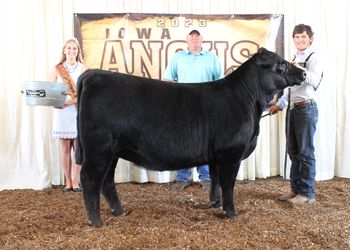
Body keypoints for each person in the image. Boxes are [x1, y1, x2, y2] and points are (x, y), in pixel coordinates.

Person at [163, 26, 224, 191]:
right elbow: (167, 81)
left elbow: (221, 84)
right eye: (192, 36)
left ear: (202, 39)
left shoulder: (212, 58)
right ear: (187, 40)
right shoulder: (178, 57)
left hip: (206, 108)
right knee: (183, 142)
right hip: (183, 107)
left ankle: (205, 177)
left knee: (206, 143)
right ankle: (182, 178)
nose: (195, 38)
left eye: (197, 36)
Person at [269, 24, 323, 204]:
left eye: (304, 36)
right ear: (293, 39)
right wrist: (280, 104)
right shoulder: (293, 57)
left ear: (311, 38)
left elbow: (315, 81)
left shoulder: (314, 57)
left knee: (305, 152)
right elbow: (290, 87)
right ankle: (295, 189)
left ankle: (307, 193)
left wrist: (299, 69)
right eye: (297, 37)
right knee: (293, 151)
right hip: (293, 109)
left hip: (306, 108)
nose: (300, 40)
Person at [50, 38, 89, 192]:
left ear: (78, 52)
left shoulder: (84, 68)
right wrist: (57, 102)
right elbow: (52, 91)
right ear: (64, 51)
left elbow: (86, 92)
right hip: (62, 112)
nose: (72, 51)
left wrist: (68, 102)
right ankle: (67, 182)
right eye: (69, 48)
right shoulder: (56, 69)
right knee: (65, 149)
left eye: (75, 48)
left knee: (77, 148)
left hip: (78, 111)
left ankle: (75, 182)